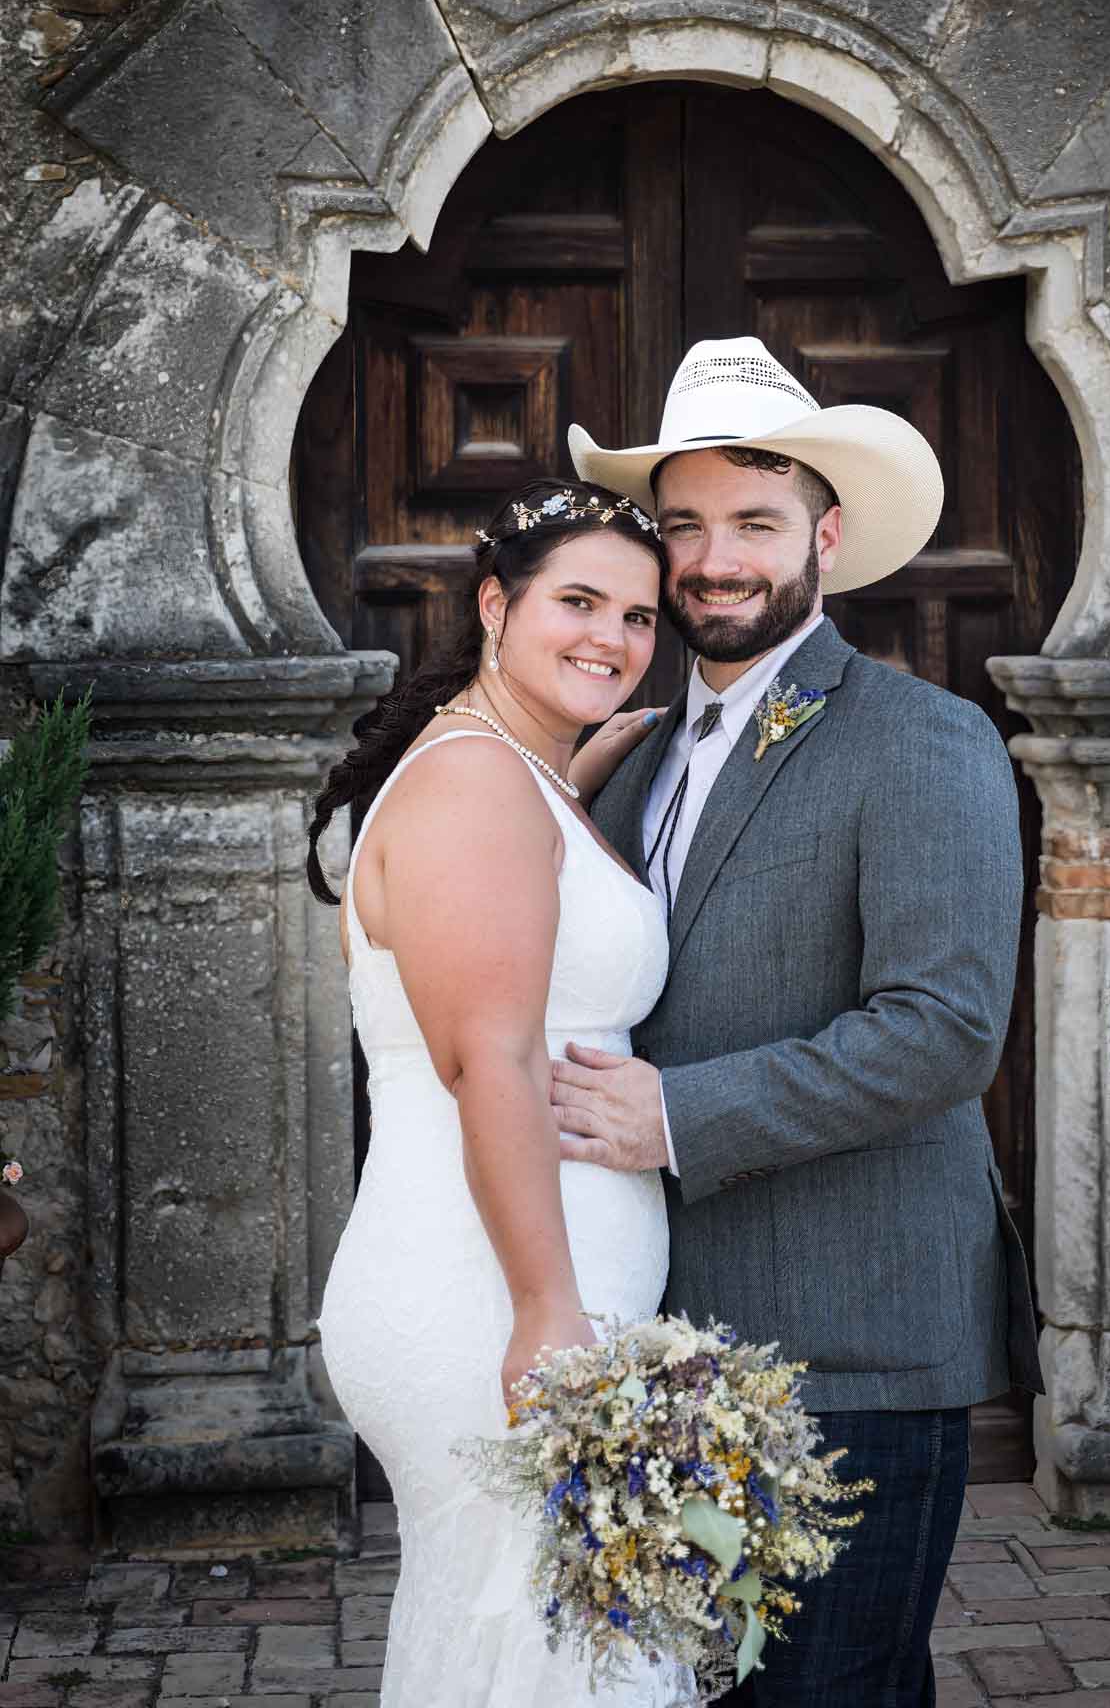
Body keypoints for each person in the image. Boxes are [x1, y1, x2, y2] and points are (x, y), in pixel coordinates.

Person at [552, 338, 1043, 1708]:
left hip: (856, 1339)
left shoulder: (919, 737)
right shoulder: (631, 752)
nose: (714, 559)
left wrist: (675, 1115)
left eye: (754, 524)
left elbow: (945, 1029)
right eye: (686, 524)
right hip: (667, 1339)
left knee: (832, 1693)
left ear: (825, 536)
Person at [308, 480, 682, 1708]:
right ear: (492, 605)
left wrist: (571, 772)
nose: (612, 639)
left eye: (638, 617)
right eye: (577, 601)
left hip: (520, 1278)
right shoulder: (476, 784)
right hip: (491, 1290)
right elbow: (492, 1059)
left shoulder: (518, 775)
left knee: (518, 1653)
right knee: (559, 1663)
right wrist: (546, 1309)